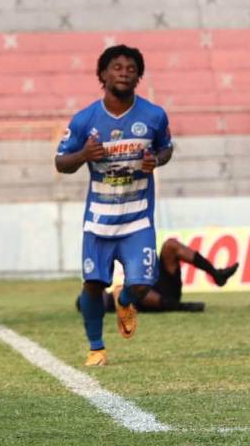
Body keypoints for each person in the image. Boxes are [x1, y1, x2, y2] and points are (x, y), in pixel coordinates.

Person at [55, 45, 173, 367]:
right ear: (103, 75)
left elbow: (166, 149)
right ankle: (96, 348)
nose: (124, 72)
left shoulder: (154, 115)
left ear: (139, 76)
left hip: (138, 220)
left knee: (142, 284)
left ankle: (124, 299)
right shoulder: (85, 120)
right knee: (93, 284)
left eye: (131, 68)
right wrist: (83, 155)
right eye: (117, 67)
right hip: (99, 221)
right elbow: (60, 162)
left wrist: (155, 160)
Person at [95, 237, 239, 314]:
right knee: (136, 290)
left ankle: (216, 274)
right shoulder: (109, 302)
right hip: (149, 298)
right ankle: (183, 307)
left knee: (170, 245)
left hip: (157, 282)